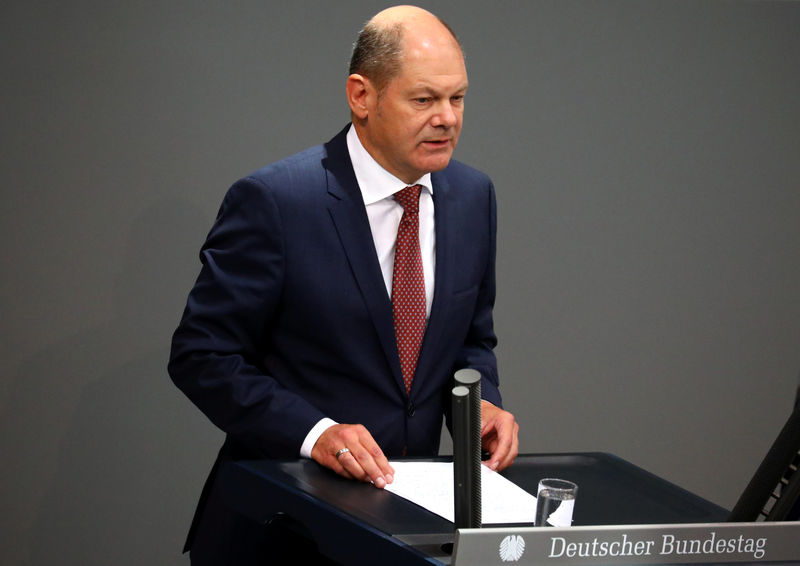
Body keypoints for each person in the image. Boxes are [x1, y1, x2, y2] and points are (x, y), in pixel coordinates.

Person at [168, 5, 519, 564]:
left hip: (404, 537)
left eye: (458, 99)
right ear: (362, 96)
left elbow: (472, 340)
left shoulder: (473, 197)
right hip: (280, 533)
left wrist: (482, 406)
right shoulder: (278, 202)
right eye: (424, 99)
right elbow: (202, 355)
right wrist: (315, 432)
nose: (448, 118)